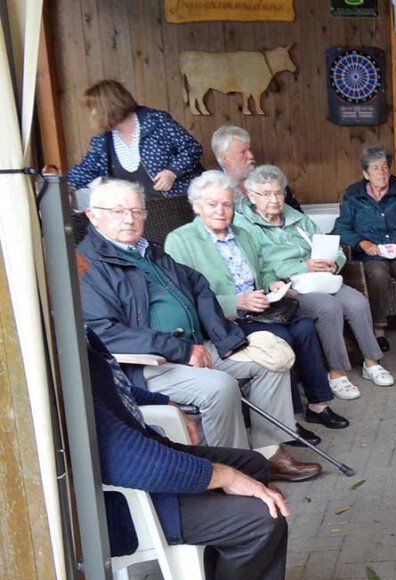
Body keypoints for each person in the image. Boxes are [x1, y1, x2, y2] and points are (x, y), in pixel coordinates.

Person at [78, 178, 321, 482]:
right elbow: (103, 333)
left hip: (196, 348)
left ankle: (269, 454)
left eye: (136, 211)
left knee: (270, 362)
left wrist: (226, 339)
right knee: (220, 387)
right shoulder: (87, 266)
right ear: (92, 215)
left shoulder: (148, 251)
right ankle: (232, 473)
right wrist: (180, 350)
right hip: (147, 364)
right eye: (117, 211)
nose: (129, 218)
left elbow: (197, 284)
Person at [86, 327, 289, 579]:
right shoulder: (59, 354)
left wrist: (163, 402)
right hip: (126, 502)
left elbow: (116, 388)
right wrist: (226, 477)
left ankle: (224, 563)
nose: (80, 284)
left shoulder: (78, 330)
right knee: (262, 520)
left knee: (253, 464)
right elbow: (126, 459)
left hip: (146, 456)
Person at [165, 171, 352, 431]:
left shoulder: (242, 234)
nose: (221, 210)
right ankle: (287, 420)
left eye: (227, 204)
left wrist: (271, 283)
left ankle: (317, 405)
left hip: (260, 308)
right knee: (281, 339)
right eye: (212, 204)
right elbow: (183, 297)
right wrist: (235, 302)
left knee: (305, 327)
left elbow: (261, 271)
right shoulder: (180, 240)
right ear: (197, 206)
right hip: (224, 319)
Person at [234, 165, 394, 396]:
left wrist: (333, 262)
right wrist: (302, 266)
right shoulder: (244, 226)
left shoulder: (296, 217)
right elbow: (258, 266)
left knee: (357, 302)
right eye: (266, 194)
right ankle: (337, 373)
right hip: (288, 285)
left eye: (279, 192)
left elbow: (331, 246)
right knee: (328, 307)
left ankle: (372, 362)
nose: (275, 199)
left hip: (321, 278)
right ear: (251, 196)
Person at [332, 146, 396, 350]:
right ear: (365, 174)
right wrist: (363, 243)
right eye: (376, 168)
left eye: (385, 167)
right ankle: (379, 330)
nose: (382, 173)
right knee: (376, 274)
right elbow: (340, 228)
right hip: (372, 255)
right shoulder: (354, 194)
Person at [68, 80, 204, 199]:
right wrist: (60, 186)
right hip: (137, 213)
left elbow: (192, 148)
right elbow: (85, 170)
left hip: (178, 204)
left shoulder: (157, 121)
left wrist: (172, 172)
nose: (92, 113)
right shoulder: (104, 142)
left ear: (108, 107)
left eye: (93, 108)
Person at [212, 124, 302, 211]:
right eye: (243, 152)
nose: (251, 156)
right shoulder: (212, 188)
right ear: (225, 159)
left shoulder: (272, 180)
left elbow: (299, 218)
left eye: (250, 150)